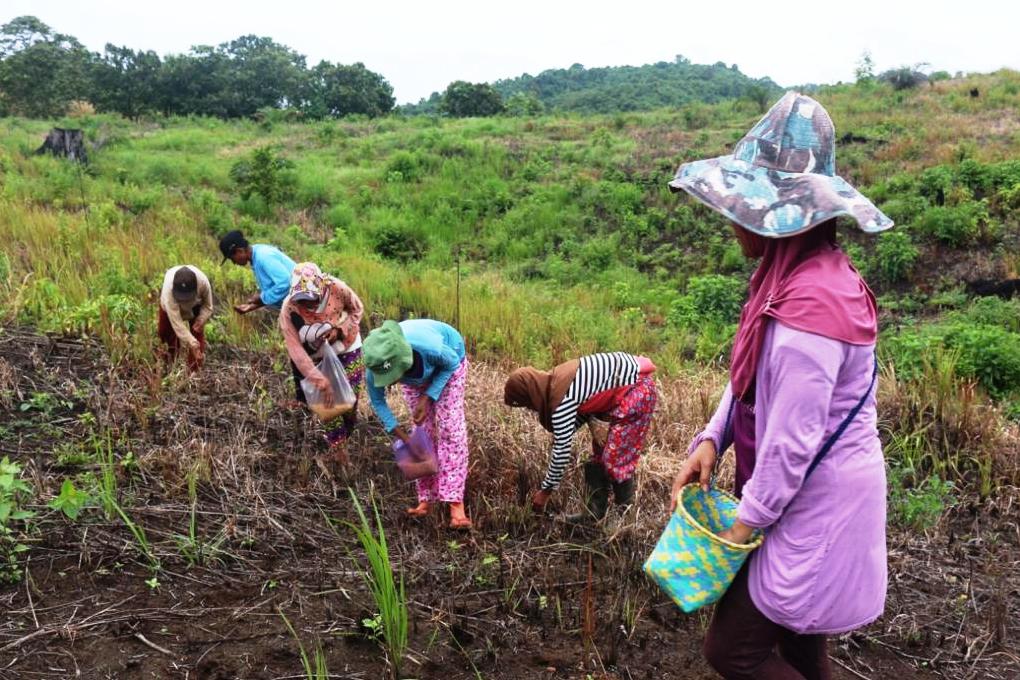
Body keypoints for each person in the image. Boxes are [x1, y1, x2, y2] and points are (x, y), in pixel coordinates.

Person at [667, 92, 891, 680]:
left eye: (742, 202)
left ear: (779, 211)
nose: (730, 215)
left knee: (732, 650)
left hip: (817, 503)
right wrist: (712, 437)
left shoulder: (809, 307)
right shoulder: (789, 276)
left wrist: (740, 531)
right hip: (803, 496)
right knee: (798, 645)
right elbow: (754, 380)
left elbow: (792, 442)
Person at [504, 353, 658, 522]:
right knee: (600, 454)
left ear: (530, 394)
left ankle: (625, 520)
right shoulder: (557, 380)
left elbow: (562, 451)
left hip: (637, 390)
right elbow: (586, 404)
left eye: (526, 403)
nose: (530, 408)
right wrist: (568, 432)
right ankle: (593, 515)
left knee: (615, 458)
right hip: (623, 389)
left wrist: (545, 491)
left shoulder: (561, 398)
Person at [363, 319, 471, 529]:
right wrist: (404, 437)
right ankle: (427, 499)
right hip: (417, 374)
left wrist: (429, 396)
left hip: (449, 365)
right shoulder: (375, 364)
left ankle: (455, 503)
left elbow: (451, 363)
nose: (391, 381)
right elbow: (378, 401)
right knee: (422, 432)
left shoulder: (429, 347)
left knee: (450, 429)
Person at [279, 262, 365, 466]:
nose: (307, 305)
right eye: (302, 300)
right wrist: (318, 379)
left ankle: (349, 428)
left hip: (347, 346)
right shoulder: (288, 310)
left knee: (349, 398)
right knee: (327, 403)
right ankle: (339, 450)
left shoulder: (336, 288)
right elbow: (296, 351)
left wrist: (340, 329)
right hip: (315, 356)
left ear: (321, 286)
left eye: (311, 299)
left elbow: (357, 309)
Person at [219, 230, 296, 313]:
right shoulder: (255, 257)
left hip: (303, 305)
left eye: (232, 259)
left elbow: (286, 282)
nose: (234, 263)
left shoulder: (263, 257)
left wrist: (261, 298)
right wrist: (251, 307)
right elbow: (275, 290)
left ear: (240, 251)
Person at [157, 265, 213, 372]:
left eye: (187, 296)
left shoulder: (203, 282)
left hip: (195, 305)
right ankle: (170, 364)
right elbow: (177, 322)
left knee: (197, 336)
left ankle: (194, 372)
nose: (184, 301)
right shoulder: (168, 291)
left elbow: (208, 306)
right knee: (164, 333)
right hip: (171, 308)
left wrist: (201, 319)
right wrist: (190, 341)